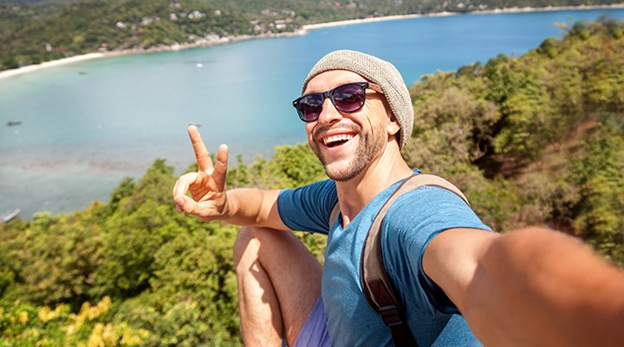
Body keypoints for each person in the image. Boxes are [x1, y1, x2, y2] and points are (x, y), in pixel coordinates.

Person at [173, 50, 624, 346]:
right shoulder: (335, 199)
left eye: (349, 97)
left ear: (392, 119)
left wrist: (590, 306)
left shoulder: (414, 213)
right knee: (257, 236)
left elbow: (484, 266)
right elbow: (264, 206)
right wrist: (222, 203)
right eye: (311, 107)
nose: (327, 115)